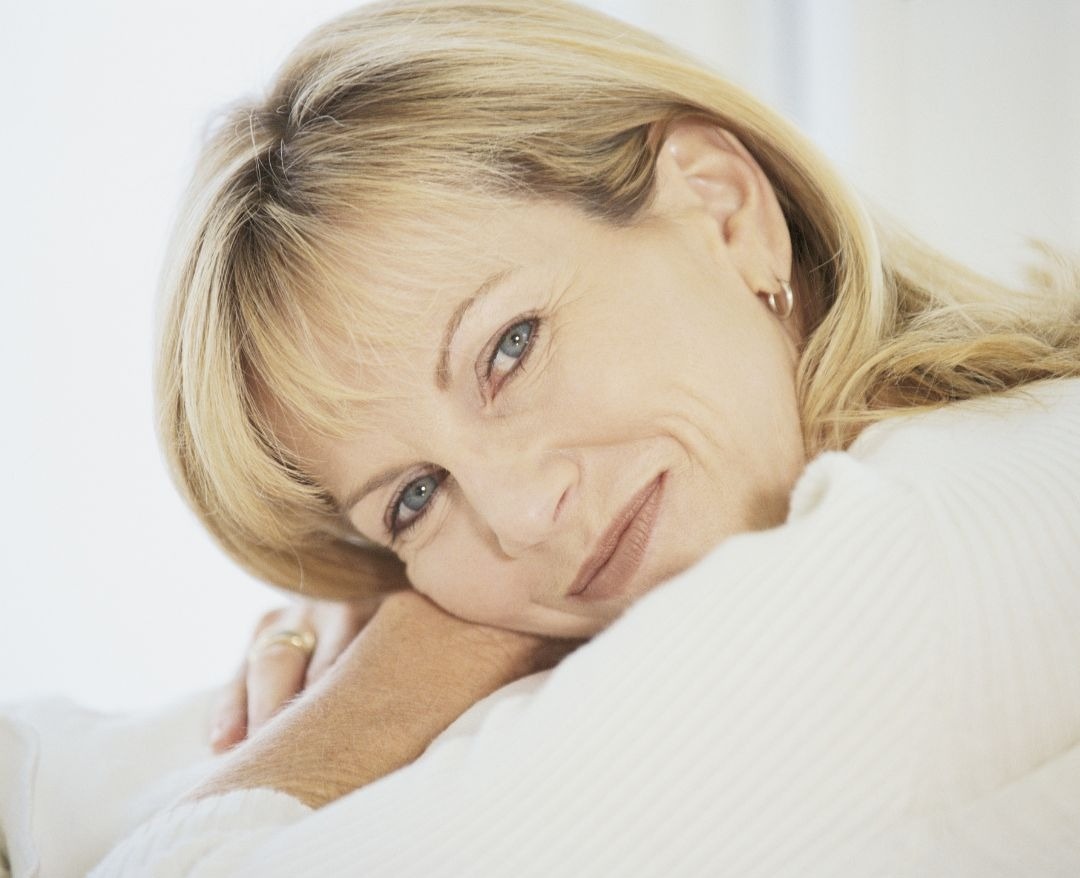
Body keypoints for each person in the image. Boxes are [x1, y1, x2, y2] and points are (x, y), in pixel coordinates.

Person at [86, 0, 1080, 873]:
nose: (519, 516)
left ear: (722, 209)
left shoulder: (919, 542)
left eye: (509, 348)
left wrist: (397, 677)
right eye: (416, 497)